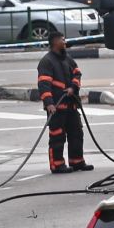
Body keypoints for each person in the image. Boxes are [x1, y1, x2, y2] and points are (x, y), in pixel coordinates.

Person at [37, 32, 93, 174]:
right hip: (56, 107)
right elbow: (43, 84)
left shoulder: (67, 58)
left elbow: (77, 73)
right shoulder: (47, 61)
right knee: (57, 136)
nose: (65, 42)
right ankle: (57, 164)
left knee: (76, 133)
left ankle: (77, 161)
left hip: (71, 105)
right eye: (62, 40)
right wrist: (49, 103)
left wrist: (73, 87)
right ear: (55, 42)